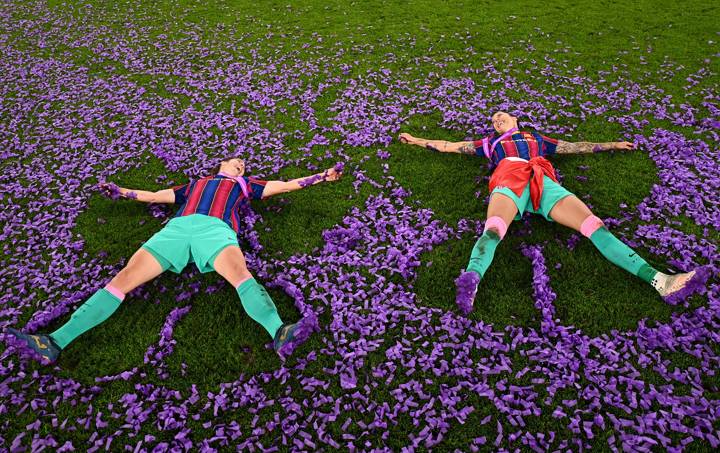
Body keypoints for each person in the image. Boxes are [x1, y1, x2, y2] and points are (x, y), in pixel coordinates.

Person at [7, 157, 343, 363]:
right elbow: (155, 196)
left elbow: (283, 185)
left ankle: (279, 331)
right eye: (234, 162)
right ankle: (54, 341)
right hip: (176, 230)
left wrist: (320, 177)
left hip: (217, 230)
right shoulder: (194, 185)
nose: (239, 164)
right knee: (123, 279)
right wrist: (122, 192)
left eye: (243, 165)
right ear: (220, 165)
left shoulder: (245, 186)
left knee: (241, 274)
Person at [399, 111, 709, 314]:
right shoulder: (489, 144)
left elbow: (574, 147)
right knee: (494, 228)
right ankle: (471, 278)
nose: (497, 121)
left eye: (502, 116)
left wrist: (612, 144)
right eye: (494, 120)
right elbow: (448, 145)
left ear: (515, 119)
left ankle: (662, 282)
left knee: (595, 226)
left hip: (544, 181)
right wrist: (415, 140)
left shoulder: (536, 139)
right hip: (509, 178)